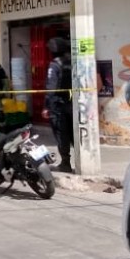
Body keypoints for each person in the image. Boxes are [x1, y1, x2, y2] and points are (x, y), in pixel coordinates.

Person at [41, 37, 74, 173]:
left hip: (58, 105)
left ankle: (66, 163)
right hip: (71, 102)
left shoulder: (55, 65)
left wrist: (46, 106)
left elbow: (51, 88)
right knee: (73, 133)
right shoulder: (72, 62)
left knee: (61, 133)